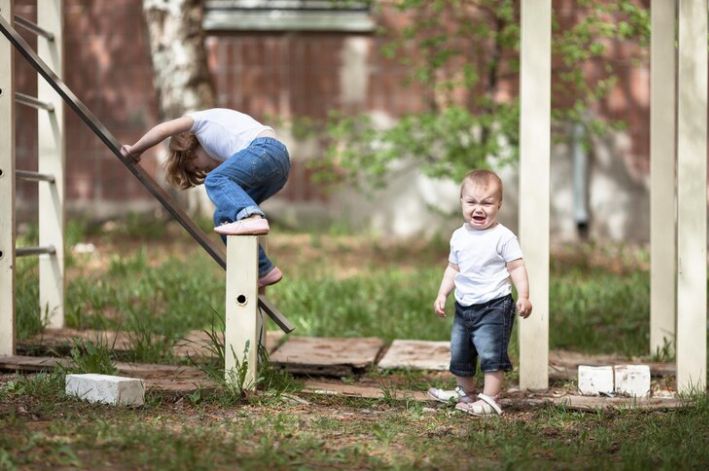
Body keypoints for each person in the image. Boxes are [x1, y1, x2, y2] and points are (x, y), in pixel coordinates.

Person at [120, 108, 290, 289]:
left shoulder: (197, 123)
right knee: (223, 217)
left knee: (215, 179)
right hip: (279, 166)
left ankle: (251, 217)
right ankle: (264, 270)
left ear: (190, 152)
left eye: (195, 167)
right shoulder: (224, 141)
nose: (203, 170)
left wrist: (136, 149)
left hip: (265, 150)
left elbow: (162, 130)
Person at [427, 169, 532, 416]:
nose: (479, 209)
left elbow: (516, 267)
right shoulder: (459, 236)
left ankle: (491, 398)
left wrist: (524, 296)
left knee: (491, 353)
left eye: (487, 203)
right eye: (472, 202)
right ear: (461, 202)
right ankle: (466, 393)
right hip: (464, 307)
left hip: (495, 305)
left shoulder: (503, 237)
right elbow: (453, 268)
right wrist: (442, 294)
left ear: (499, 205)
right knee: (461, 352)